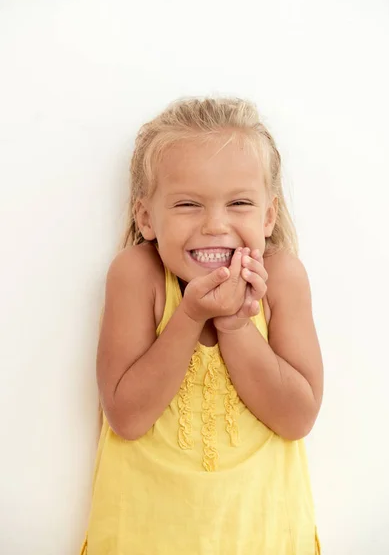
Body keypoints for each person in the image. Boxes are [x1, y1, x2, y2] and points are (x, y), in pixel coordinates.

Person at [79, 97, 323, 554]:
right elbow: (127, 417)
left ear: (267, 215)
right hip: (144, 536)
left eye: (240, 203)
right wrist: (189, 316)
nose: (216, 225)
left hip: (263, 534)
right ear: (147, 217)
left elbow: (297, 418)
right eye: (189, 204)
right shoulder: (137, 274)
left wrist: (234, 325)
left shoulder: (283, 279)